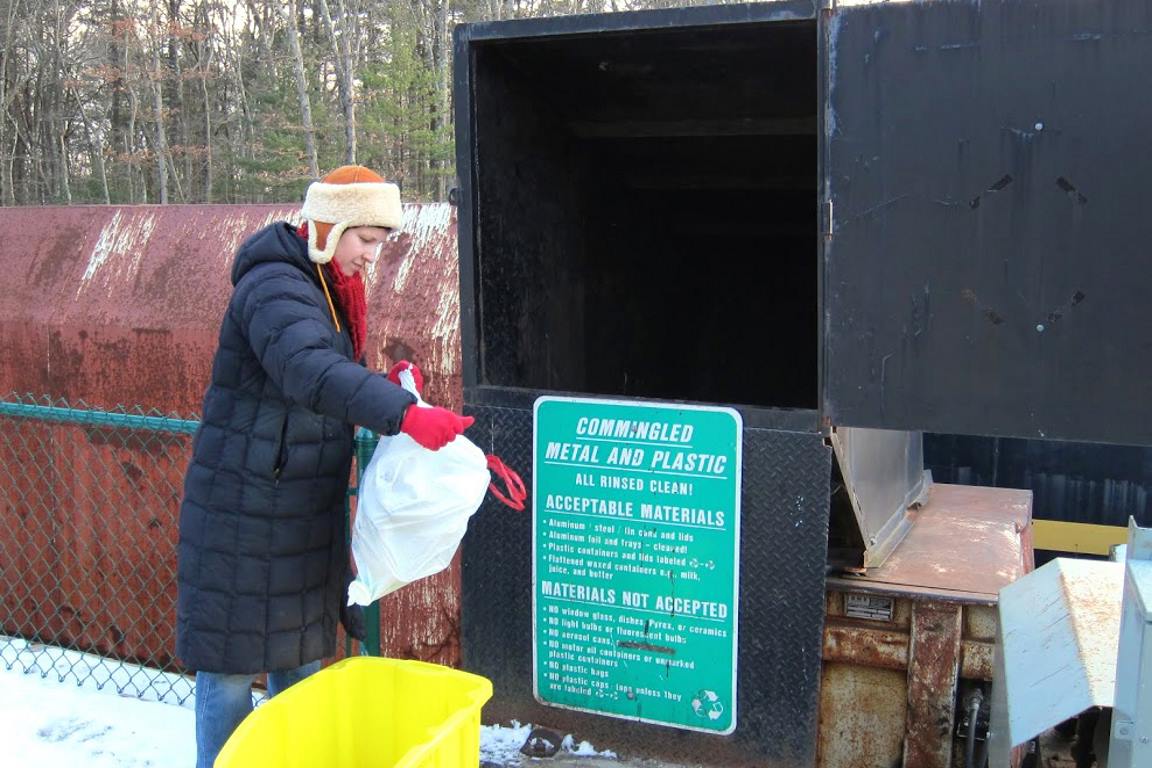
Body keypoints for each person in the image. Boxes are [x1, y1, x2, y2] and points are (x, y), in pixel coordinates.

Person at [175, 165, 473, 768]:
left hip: (297, 509)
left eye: (380, 243)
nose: (372, 256)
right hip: (243, 509)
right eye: (365, 239)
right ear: (330, 227)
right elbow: (307, 369)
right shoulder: (275, 284)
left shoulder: (326, 287)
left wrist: (385, 385)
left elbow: (326, 375)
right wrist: (400, 413)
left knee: (301, 661)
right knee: (230, 667)